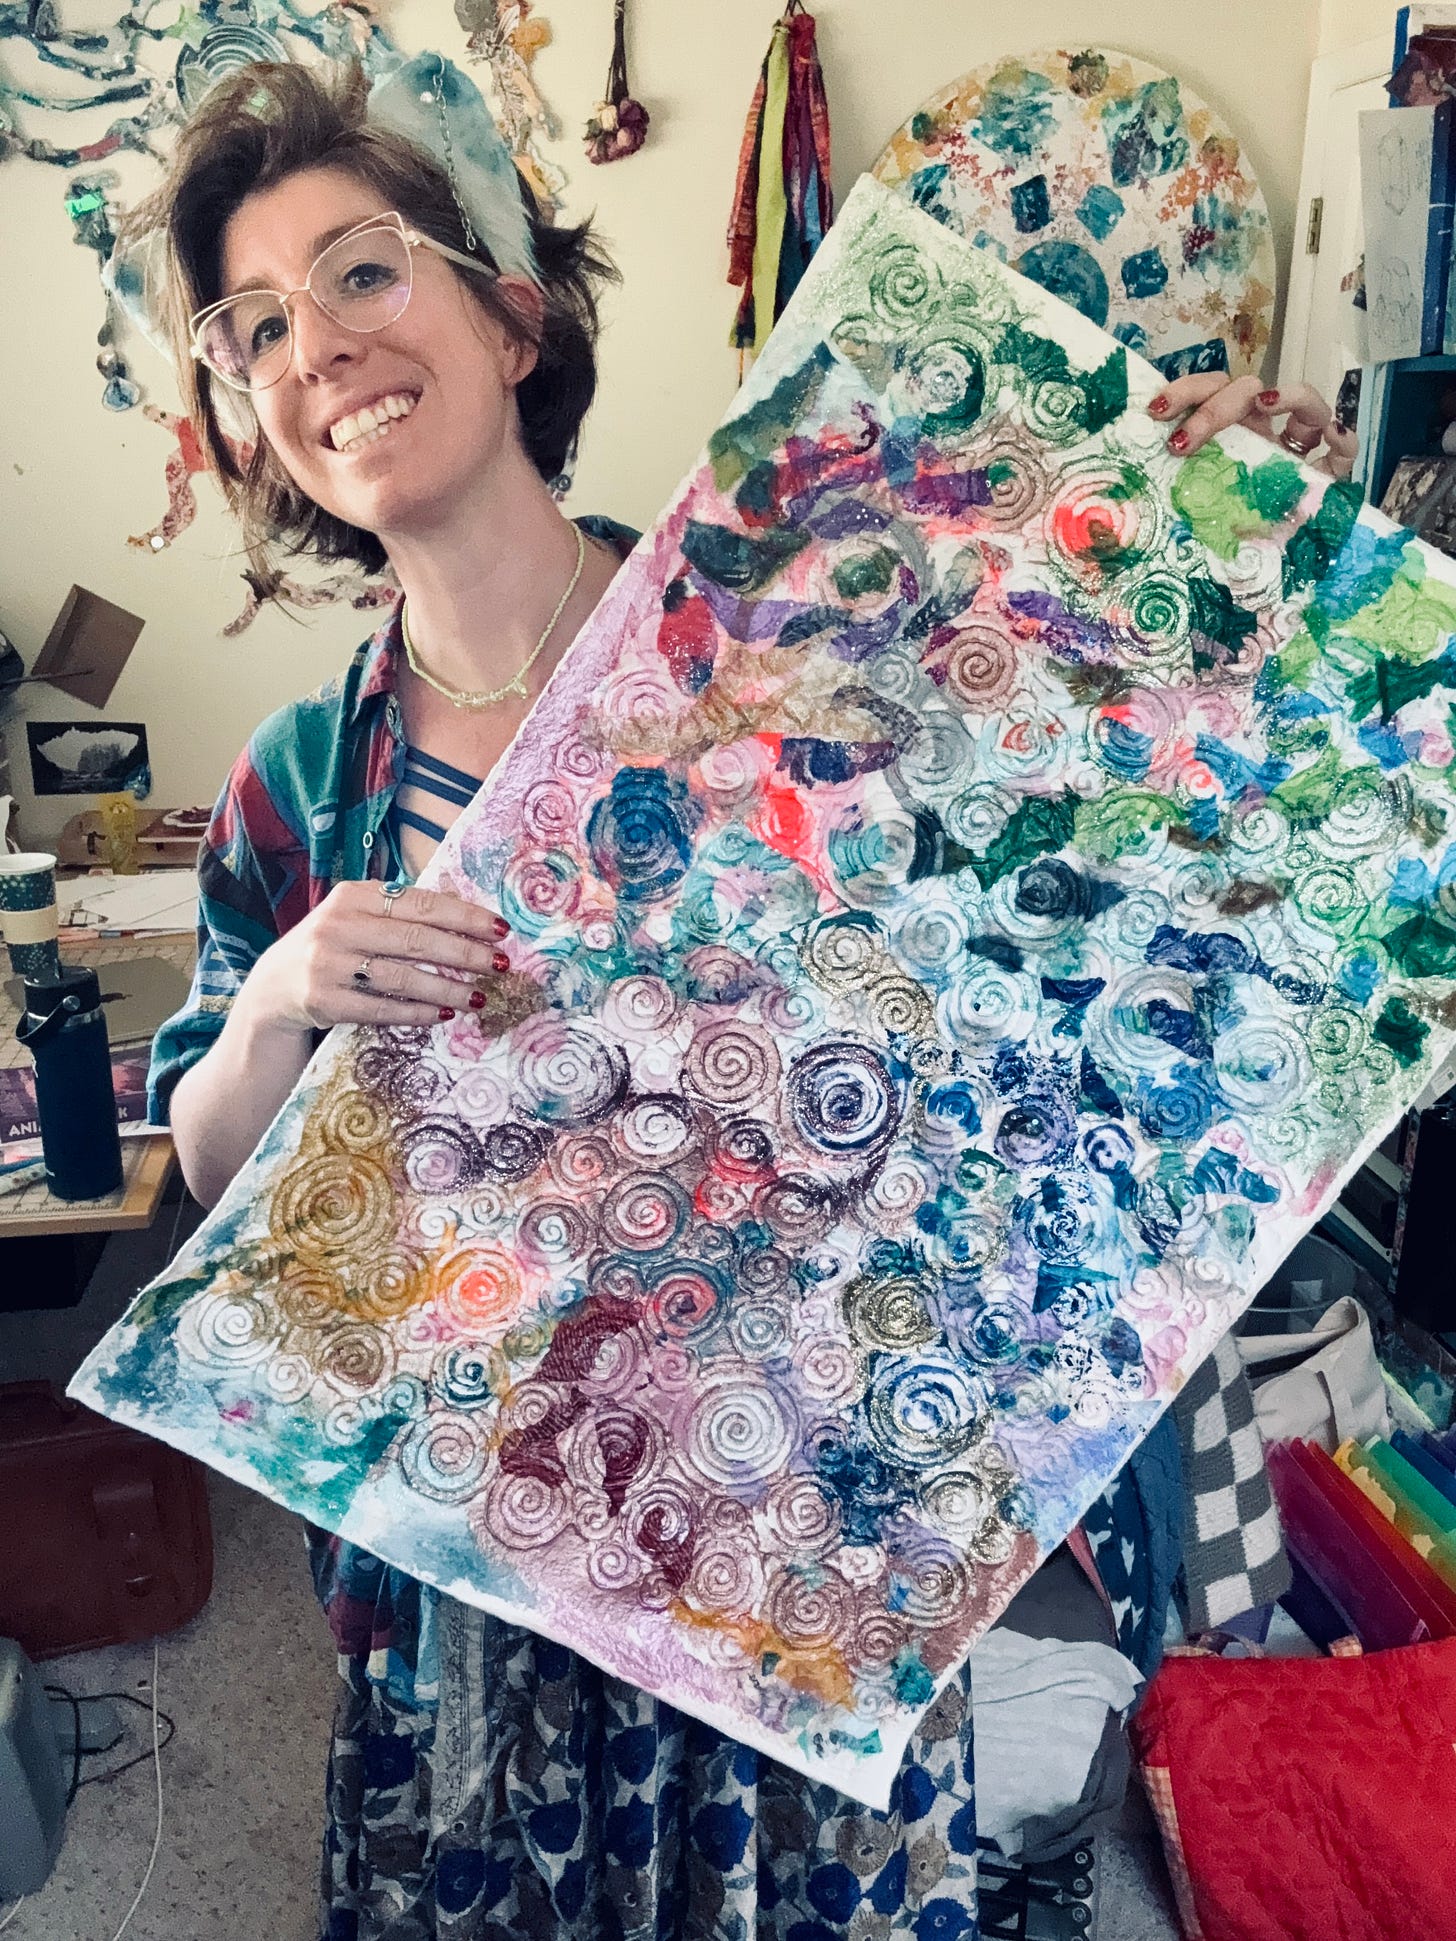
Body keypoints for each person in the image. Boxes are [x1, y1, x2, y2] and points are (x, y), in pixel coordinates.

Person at [131, 48, 1352, 1940]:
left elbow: (1070, 811)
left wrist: (1193, 522)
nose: (317, 347)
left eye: (364, 271)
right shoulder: (300, 779)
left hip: (800, 1520)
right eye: (257, 323)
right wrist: (285, 994)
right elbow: (218, 1178)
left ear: (510, 311)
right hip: (490, 1548)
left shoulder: (776, 619)